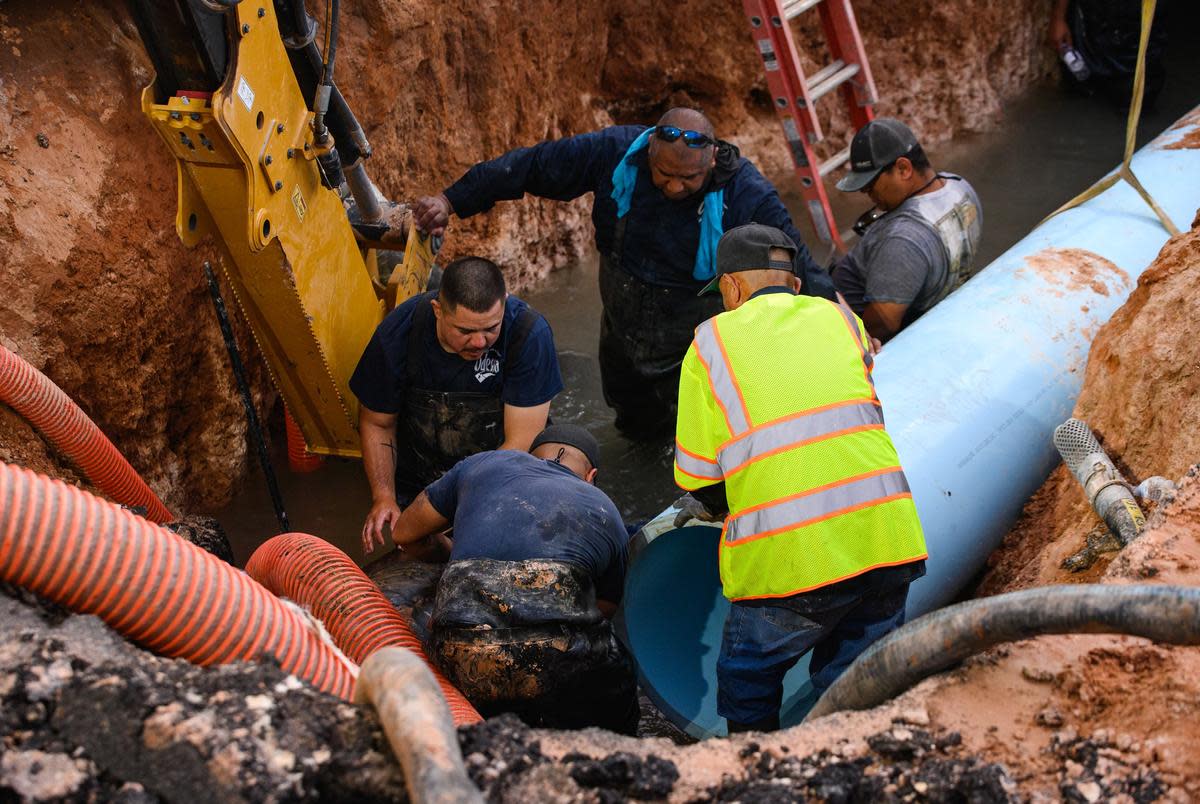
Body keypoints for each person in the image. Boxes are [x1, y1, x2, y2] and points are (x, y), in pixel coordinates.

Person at [414, 108, 837, 439]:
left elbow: (793, 257)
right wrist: (452, 200)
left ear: (710, 161)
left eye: (688, 178)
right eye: (664, 175)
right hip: (622, 321)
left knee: (703, 429)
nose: (673, 187)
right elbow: (530, 167)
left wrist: (840, 322)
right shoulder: (615, 152)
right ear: (649, 151)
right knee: (632, 425)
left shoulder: (746, 192)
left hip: (693, 336)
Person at [672, 224, 927, 734]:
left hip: (793, 558)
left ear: (733, 288)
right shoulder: (842, 319)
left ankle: (759, 769)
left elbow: (699, 478)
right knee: (857, 682)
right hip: (887, 538)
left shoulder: (708, 345)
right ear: (791, 283)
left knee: (747, 676)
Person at [366, 424, 639, 733]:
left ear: (529, 457)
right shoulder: (606, 509)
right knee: (621, 674)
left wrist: (452, 552)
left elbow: (404, 533)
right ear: (591, 477)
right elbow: (604, 608)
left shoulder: (483, 464)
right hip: (556, 667)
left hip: (459, 653)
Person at [351, 255, 563, 550]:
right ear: (438, 310)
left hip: (500, 472)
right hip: (420, 474)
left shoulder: (528, 334)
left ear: (504, 302)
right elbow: (377, 421)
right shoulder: (399, 332)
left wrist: (455, 515)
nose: (479, 342)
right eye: (465, 331)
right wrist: (383, 496)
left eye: (491, 328)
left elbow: (519, 445)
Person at [830, 118, 982, 343]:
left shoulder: (903, 239)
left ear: (903, 168)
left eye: (870, 185)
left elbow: (883, 322)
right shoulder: (959, 186)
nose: (866, 193)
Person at [1048, 0, 1170, 109]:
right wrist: (1058, 18)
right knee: (1081, 81)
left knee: (1138, 96)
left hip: (1137, 21)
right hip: (1098, 19)